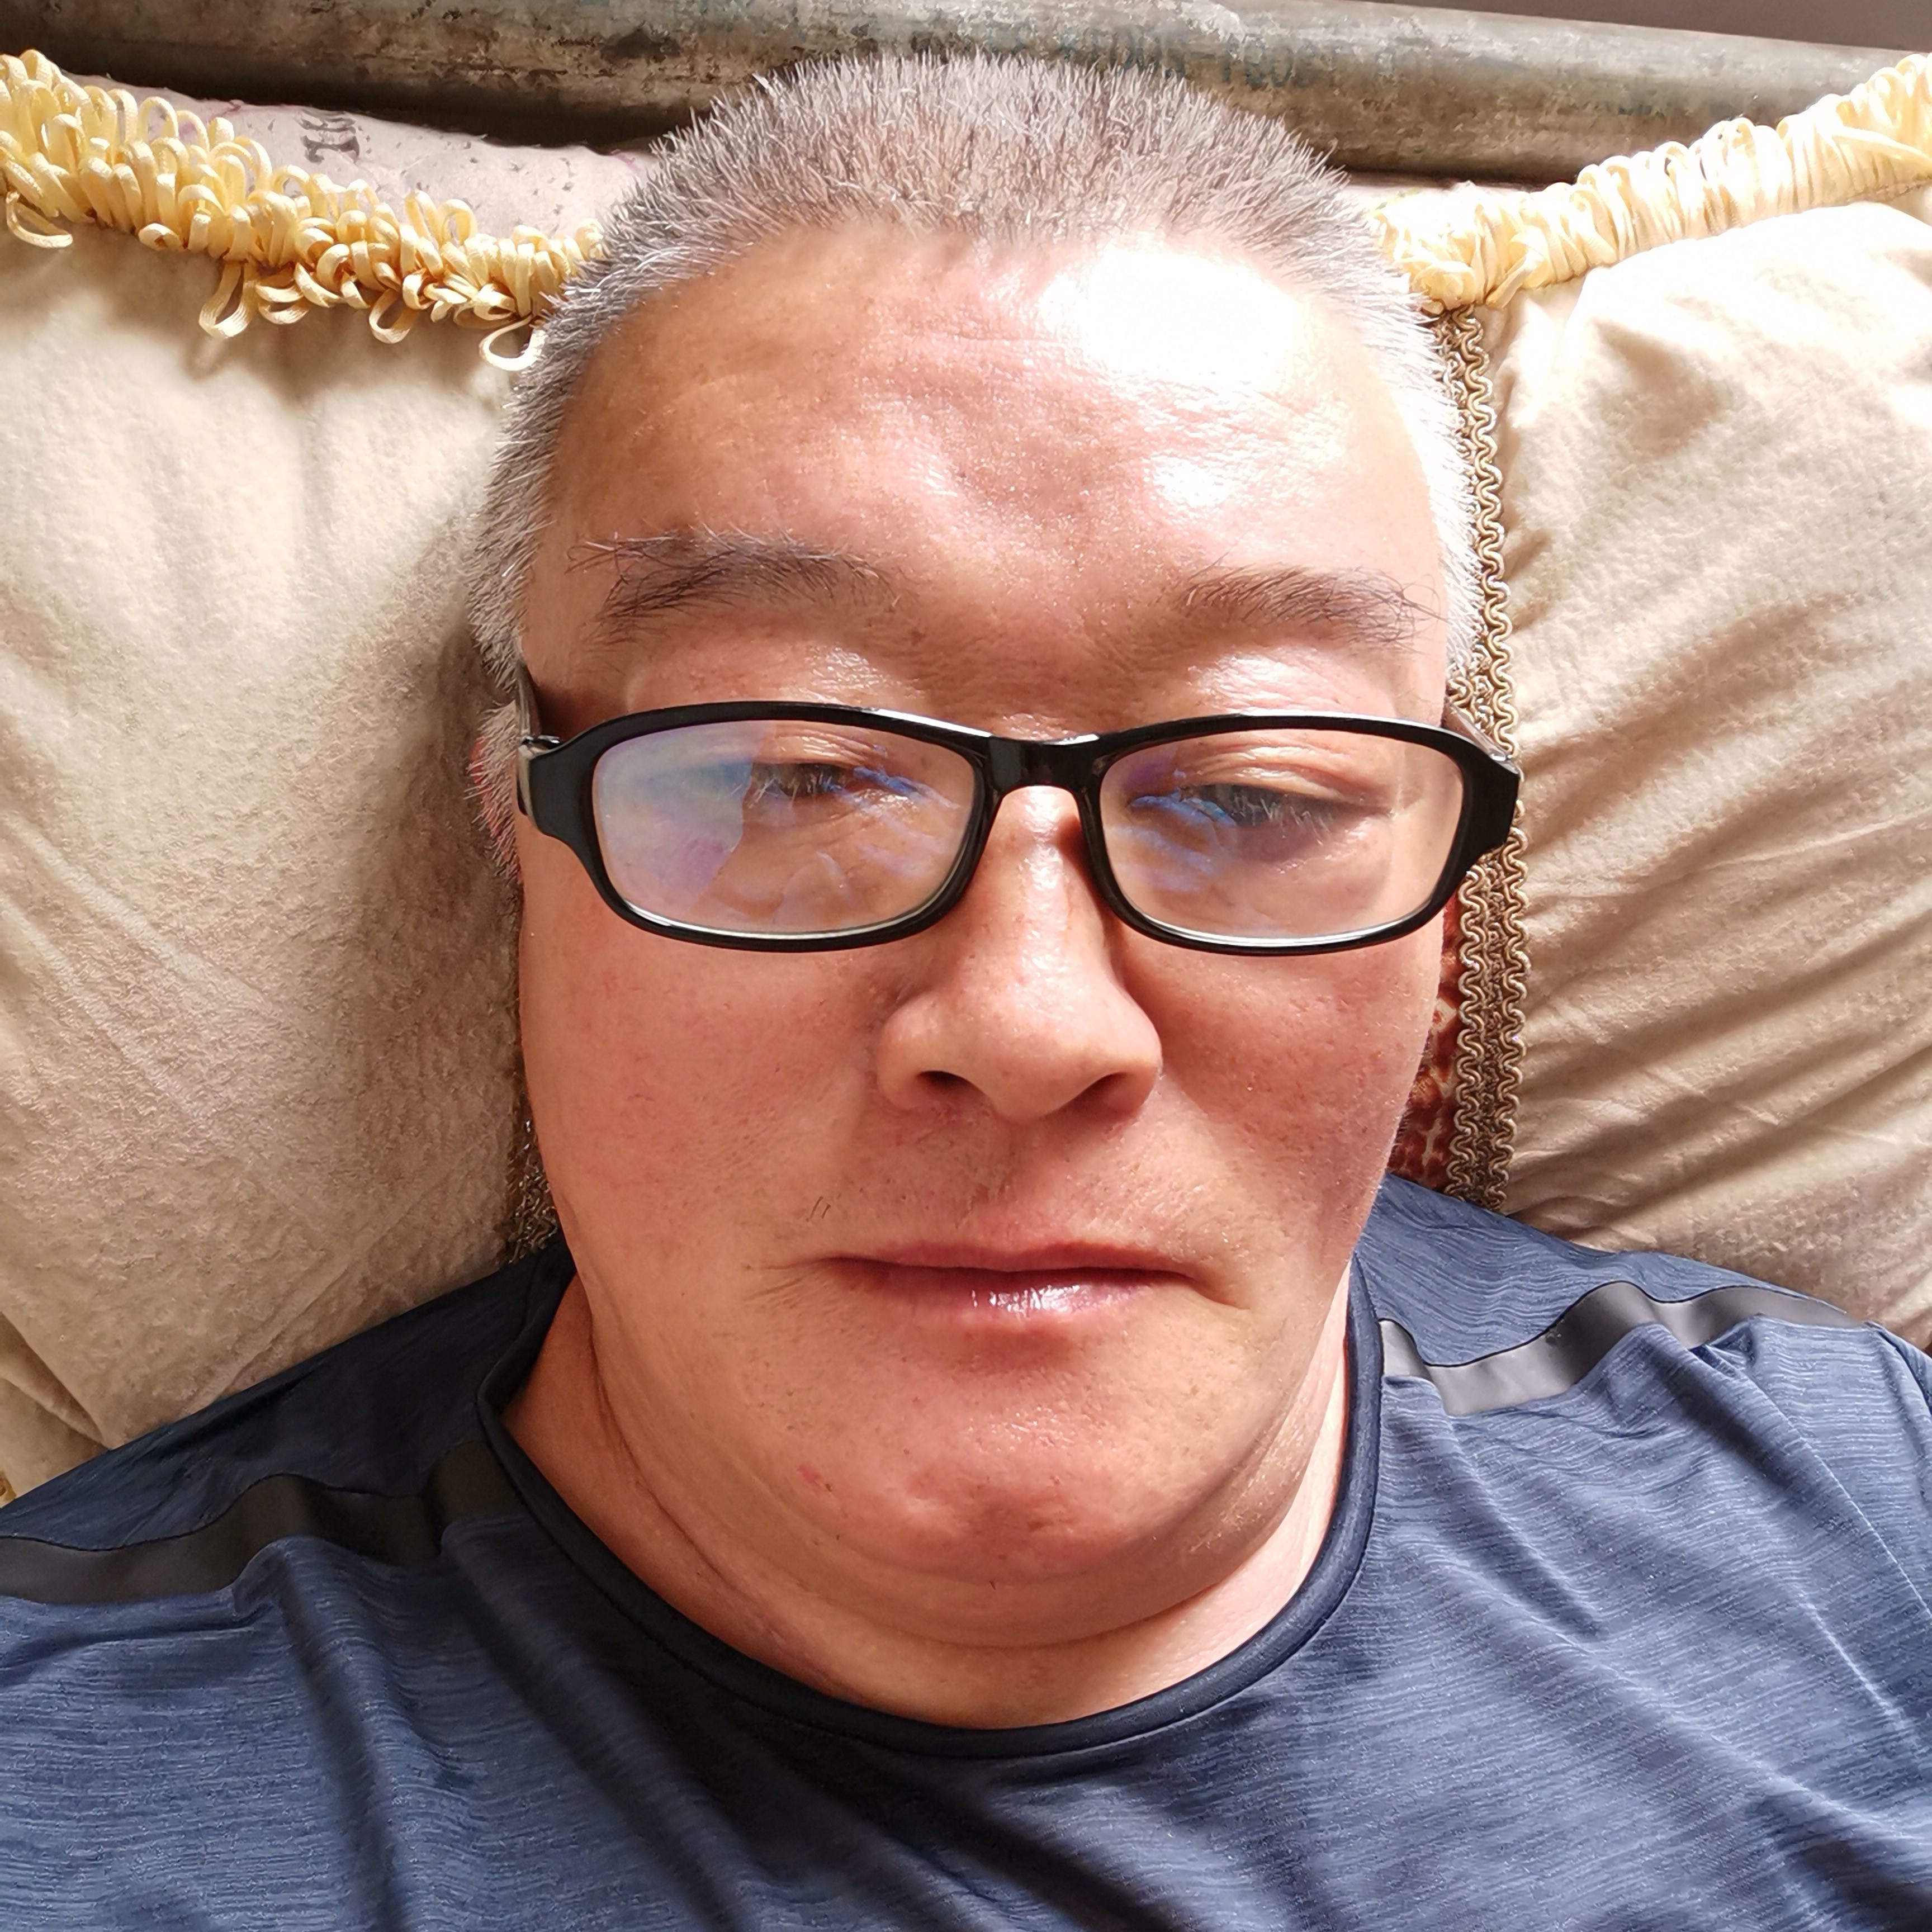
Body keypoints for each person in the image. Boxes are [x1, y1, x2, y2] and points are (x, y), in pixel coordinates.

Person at [1, 52, 1927, 1931]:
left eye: (1253, 794)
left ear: (1446, 923)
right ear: (520, 834)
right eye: (796, 778)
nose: (1029, 1027)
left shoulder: (1871, 1524)